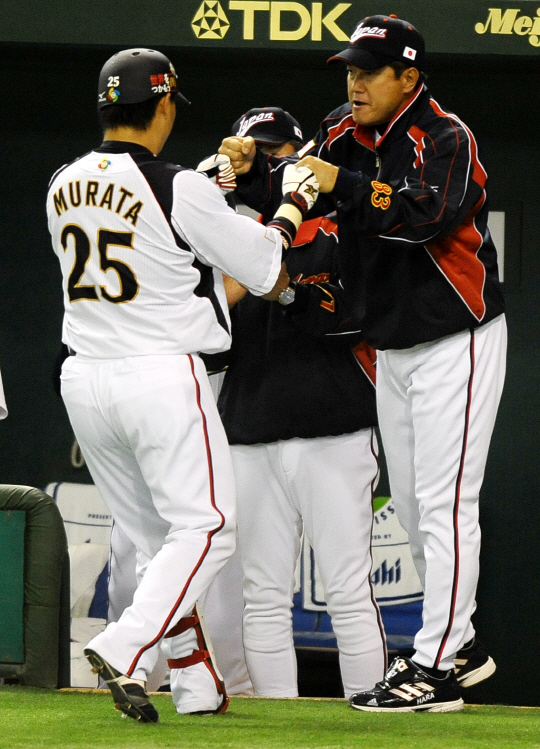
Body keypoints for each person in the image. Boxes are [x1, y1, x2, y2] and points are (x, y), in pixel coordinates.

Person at [219, 14, 506, 713]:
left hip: (456, 337)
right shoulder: (343, 133)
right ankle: (459, 645)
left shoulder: (445, 135)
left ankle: (437, 664)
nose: (355, 83)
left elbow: (422, 214)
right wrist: (256, 176)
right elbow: (297, 190)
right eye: (349, 69)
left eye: (368, 70)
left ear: (408, 76)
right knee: (411, 505)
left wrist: (337, 182)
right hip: (395, 342)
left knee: (443, 504)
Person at [46, 47, 318, 722]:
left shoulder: (60, 180)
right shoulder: (178, 186)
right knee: (210, 527)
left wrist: (209, 183)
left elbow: (144, 223)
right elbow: (262, 266)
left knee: (155, 539)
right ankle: (126, 641)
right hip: (159, 374)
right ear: (164, 105)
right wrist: (288, 205)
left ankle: (196, 683)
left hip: (85, 378)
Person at [213, 107, 387, 699]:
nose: (268, 163)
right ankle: (277, 729)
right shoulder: (221, 232)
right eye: (256, 153)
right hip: (250, 424)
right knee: (262, 594)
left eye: (278, 150)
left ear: (303, 151)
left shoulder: (344, 225)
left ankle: (372, 723)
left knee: (346, 588)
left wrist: (285, 290)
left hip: (331, 422)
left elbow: (351, 320)